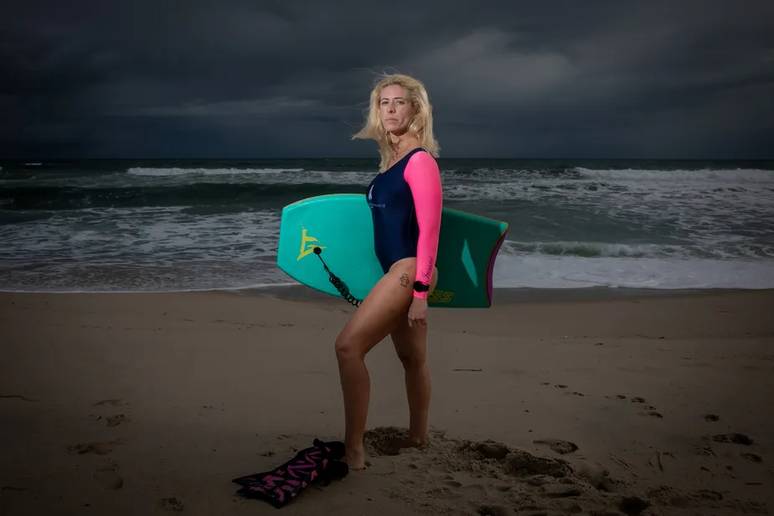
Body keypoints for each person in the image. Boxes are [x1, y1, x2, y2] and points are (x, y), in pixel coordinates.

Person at [335, 73, 443, 470]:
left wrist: (419, 294)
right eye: (384, 103)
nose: (391, 109)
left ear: (416, 109)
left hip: (409, 271)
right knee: (412, 359)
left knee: (347, 348)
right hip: (394, 271)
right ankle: (416, 438)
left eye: (399, 102)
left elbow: (430, 231)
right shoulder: (391, 163)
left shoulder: (420, 162)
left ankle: (354, 450)